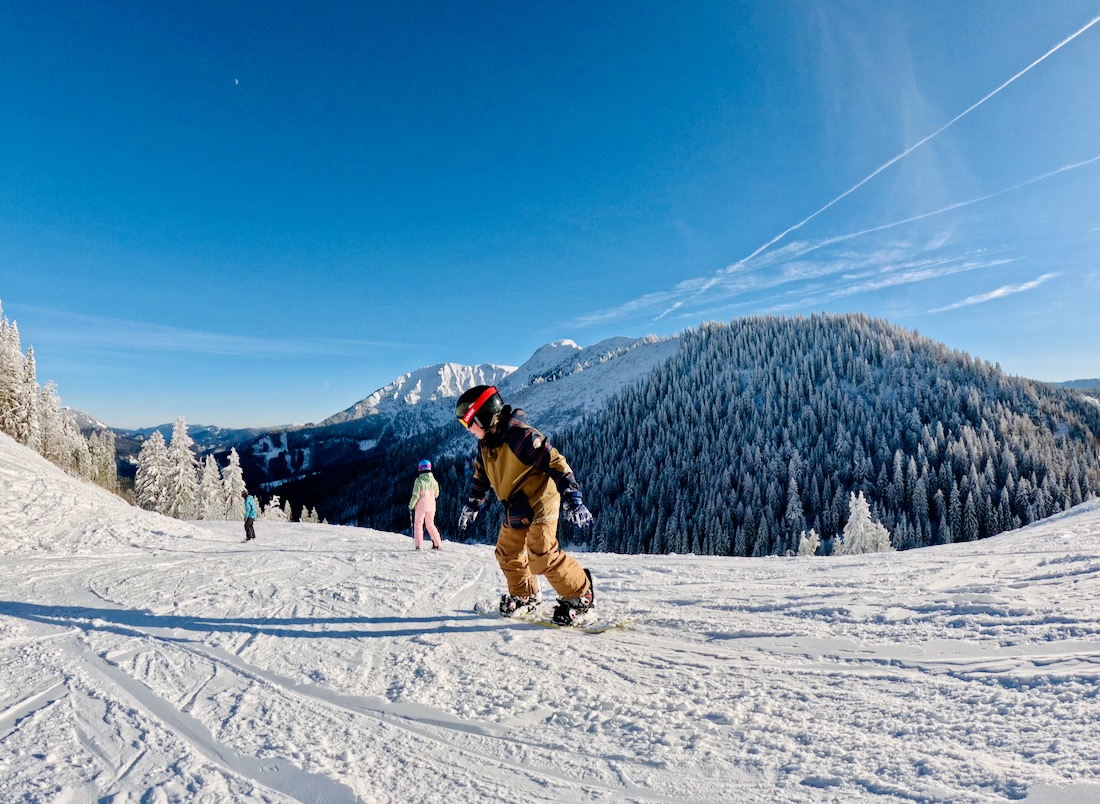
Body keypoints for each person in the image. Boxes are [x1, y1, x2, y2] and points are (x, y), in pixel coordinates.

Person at [455, 385, 596, 626]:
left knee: (541, 554)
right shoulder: (487, 443)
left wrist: (574, 500)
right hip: (517, 504)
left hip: (541, 500)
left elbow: (556, 463)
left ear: (485, 416)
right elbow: (481, 476)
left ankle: (580, 595)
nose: (469, 430)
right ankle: (525, 595)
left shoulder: (522, 437)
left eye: (469, 424)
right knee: (507, 552)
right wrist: (473, 504)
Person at [408, 458, 443, 550]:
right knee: (430, 524)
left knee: (418, 524)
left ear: (420, 468)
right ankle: (437, 543)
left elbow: (416, 495)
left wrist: (411, 505)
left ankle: (419, 545)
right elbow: (437, 494)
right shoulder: (434, 481)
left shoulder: (418, 481)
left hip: (421, 506)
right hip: (432, 505)